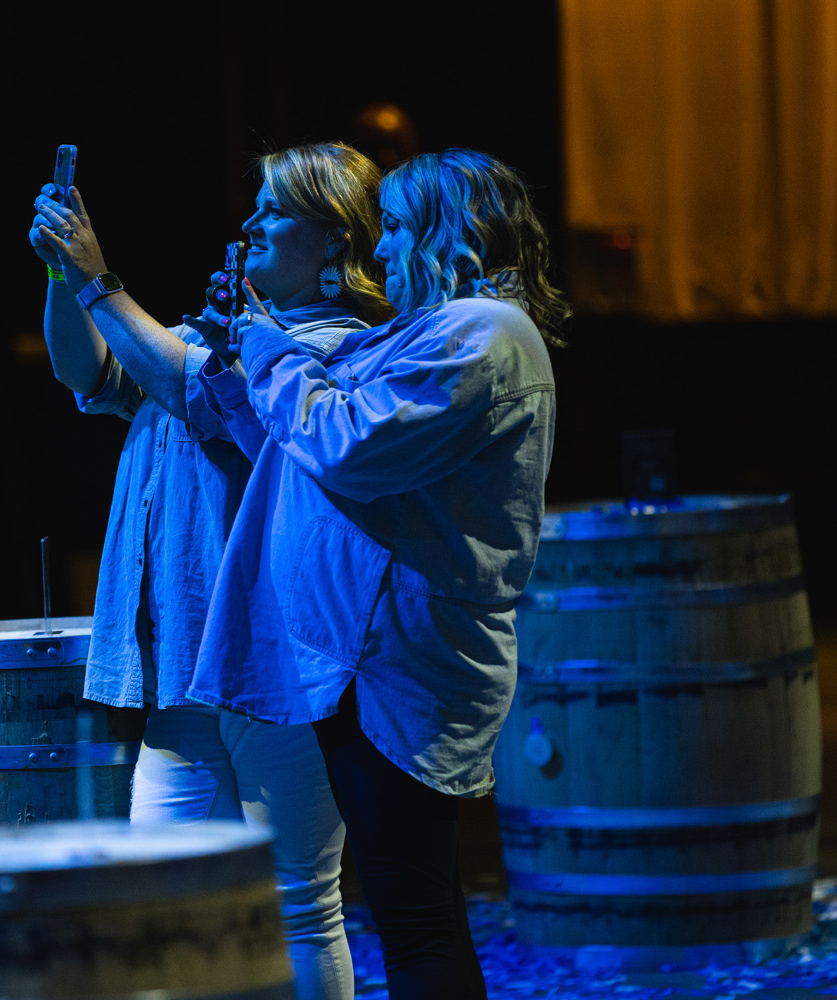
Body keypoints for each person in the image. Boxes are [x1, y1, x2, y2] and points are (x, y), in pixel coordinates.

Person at [186, 148, 568, 998]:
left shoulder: (486, 334)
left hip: (404, 663)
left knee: (417, 920)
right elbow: (302, 449)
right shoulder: (432, 329)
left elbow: (348, 446)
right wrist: (244, 359)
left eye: (395, 227)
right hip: (366, 661)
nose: (382, 247)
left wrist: (268, 348)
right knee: (411, 913)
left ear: (448, 230)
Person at [29, 141, 394, 1000]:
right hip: (184, 668)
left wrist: (99, 280)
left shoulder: (342, 350)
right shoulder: (209, 337)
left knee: (297, 905)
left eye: (275, 209)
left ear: (334, 240)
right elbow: (88, 370)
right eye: (253, 205)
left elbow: (197, 390)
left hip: (277, 673)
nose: (251, 222)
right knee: (164, 902)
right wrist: (62, 276)